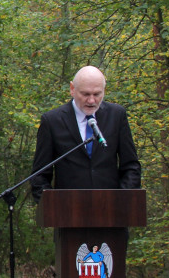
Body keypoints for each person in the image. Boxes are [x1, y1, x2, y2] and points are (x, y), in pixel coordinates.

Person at [31, 66, 141, 202]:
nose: (91, 101)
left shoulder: (117, 115)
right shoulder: (52, 121)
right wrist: (52, 205)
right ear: (72, 89)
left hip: (112, 212)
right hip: (69, 213)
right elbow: (40, 175)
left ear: (104, 91)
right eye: (85, 94)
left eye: (97, 94)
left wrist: (123, 200)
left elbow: (131, 166)